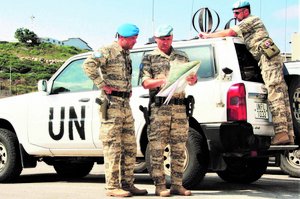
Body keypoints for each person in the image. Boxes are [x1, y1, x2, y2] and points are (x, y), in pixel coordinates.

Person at [199, 0, 294, 145]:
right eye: (234, 14)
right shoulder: (247, 26)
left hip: (267, 59)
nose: (235, 16)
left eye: (237, 13)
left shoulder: (251, 20)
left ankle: (281, 133)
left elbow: (231, 32)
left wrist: (208, 36)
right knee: (282, 94)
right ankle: (289, 134)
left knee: (275, 93)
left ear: (246, 11)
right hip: (268, 59)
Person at [83, 23, 148, 197]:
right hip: (111, 105)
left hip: (125, 104)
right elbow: (88, 65)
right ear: (122, 38)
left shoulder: (126, 53)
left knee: (130, 147)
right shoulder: (108, 50)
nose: (135, 41)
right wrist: (102, 84)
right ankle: (112, 187)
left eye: (136, 38)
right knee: (113, 146)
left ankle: (127, 184)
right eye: (133, 38)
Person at [141, 24, 198, 197]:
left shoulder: (182, 56)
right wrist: (163, 81)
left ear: (172, 38)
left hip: (180, 108)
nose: (165, 42)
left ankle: (177, 185)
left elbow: (192, 82)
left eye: (168, 39)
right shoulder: (149, 57)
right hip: (160, 109)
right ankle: (160, 186)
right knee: (157, 148)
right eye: (161, 40)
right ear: (156, 39)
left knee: (179, 147)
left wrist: (193, 79)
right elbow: (145, 83)